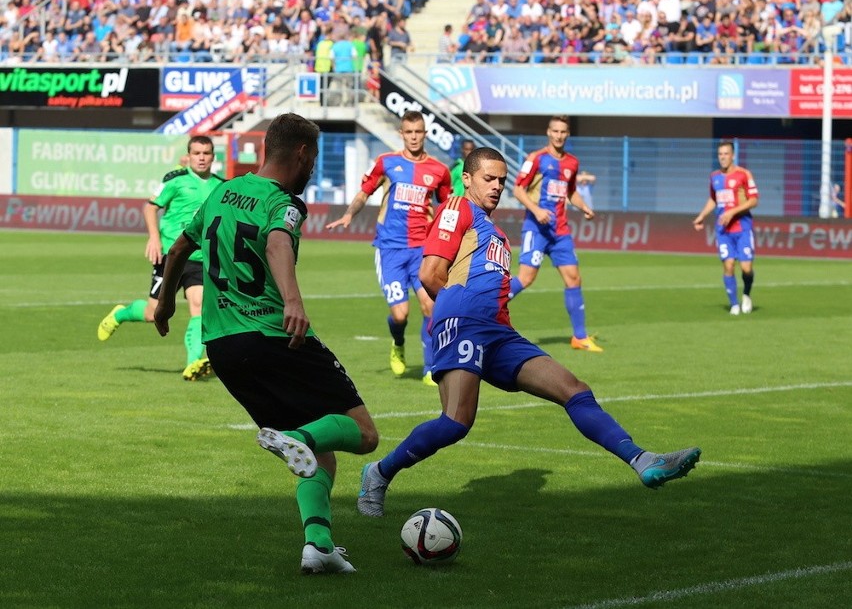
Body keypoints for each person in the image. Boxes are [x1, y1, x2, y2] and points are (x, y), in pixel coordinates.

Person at [356, 147, 701, 517]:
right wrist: (459, 309)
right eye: (489, 178)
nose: (497, 186)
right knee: (456, 421)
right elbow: (429, 274)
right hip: (464, 324)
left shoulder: (497, 234)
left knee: (575, 390)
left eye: (502, 180)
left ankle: (643, 460)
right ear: (468, 178)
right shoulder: (457, 207)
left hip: (501, 334)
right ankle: (377, 473)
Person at [153, 113, 379, 574]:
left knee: (321, 456)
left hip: (223, 347)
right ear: (300, 153)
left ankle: (318, 546)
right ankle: (294, 437)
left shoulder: (220, 191)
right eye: (312, 158)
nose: (312, 167)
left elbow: (178, 250)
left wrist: (164, 305)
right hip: (276, 337)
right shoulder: (285, 202)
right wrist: (293, 300)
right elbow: (277, 243)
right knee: (364, 434)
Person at [326, 110, 451, 385]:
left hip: (422, 249)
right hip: (390, 250)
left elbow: (446, 207)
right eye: (409, 132)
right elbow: (364, 192)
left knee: (431, 308)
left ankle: (431, 368)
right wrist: (349, 214)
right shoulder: (386, 163)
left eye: (418, 132)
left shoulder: (438, 170)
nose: (414, 137)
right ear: (402, 134)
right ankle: (398, 344)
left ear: (425, 134)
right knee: (400, 314)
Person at [97, 136, 225, 380]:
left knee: (198, 306)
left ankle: (192, 364)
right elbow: (150, 207)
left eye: (206, 153)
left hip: (199, 257)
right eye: (196, 152)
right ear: (188, 155)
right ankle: (120, 314)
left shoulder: (220, 185)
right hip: (171, 255)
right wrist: (154, 238)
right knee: (152, 313)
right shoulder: (175, 180)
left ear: (212, 156)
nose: (201, 157)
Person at [508, 116, 603, 352]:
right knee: (527, 278)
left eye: (563, 131)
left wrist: (584, 207)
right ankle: (486, 307)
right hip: (536, 228)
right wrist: (537, 210)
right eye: (555, 131)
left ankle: (579, 337)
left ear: (567, 134)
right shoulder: (536, 159)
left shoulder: (572, 163)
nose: (559, 135)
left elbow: (571, 193)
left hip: (560, 231)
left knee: (574, 278)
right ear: (548, 133)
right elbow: (518, 189)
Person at [692, 141, 759, 315]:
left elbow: (754, 200)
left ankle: (746, 294)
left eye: (726, 154)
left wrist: (732, 212)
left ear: (733, 155)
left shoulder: (744, 174)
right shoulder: (714, 177)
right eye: (720, 154)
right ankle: (734, 304)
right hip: (723, 230)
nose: (722, 157)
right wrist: (702, 216)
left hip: (743, 227)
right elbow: (714, 199)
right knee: (728, 265)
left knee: (746, 268)